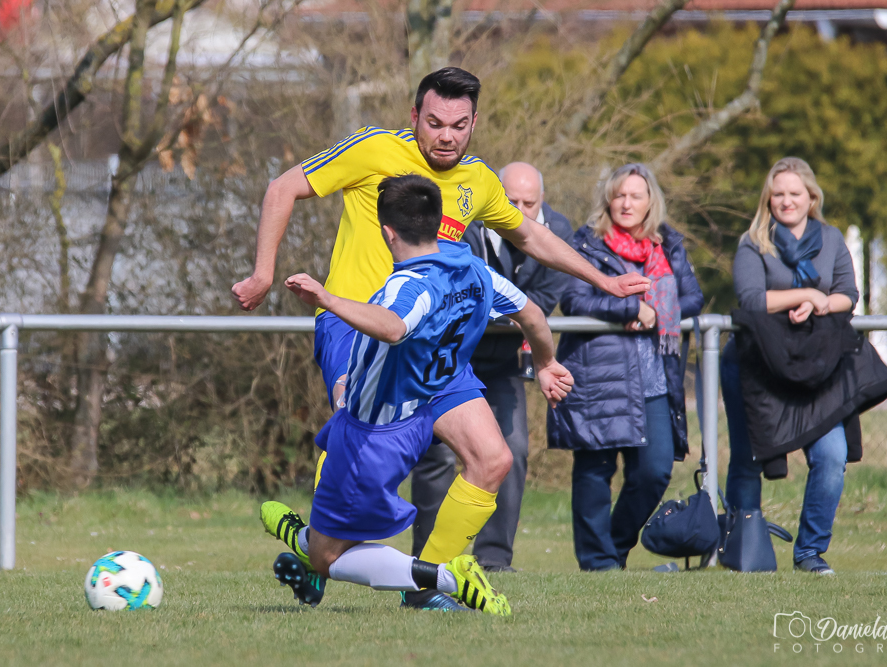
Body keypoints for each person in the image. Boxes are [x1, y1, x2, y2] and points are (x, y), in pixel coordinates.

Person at [236, 68, 646, 610]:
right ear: (414, 118)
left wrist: (603, 278)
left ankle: (425, 588)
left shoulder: (478, 181)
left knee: (493, 459)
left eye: (458, 124)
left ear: (474, 123)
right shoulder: (374, 149)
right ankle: (320, 551)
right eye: (434, 123)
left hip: (435, 349)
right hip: (358, 329)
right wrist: (264, 273)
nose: (446, 135)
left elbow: (529, 235)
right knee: (350, 433)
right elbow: (282, 186)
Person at [270, 174, 572, 615]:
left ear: (387, 233)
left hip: (386, 424)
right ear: (440, 224)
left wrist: (326, 297)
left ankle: (433, 581)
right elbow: (531, 313)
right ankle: (324, 543)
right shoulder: (474, 269)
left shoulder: (407, 287)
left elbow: (394, 326)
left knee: (327, 556)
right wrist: (546, 362)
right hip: (400, 414)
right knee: (328, 551)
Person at [409, 162, 574, 572]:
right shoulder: (460, 222)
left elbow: (542, 300)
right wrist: (502, 308)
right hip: (445, 359)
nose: (518, 210)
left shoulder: (558, 231)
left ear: (542, 204)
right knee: (436, 457)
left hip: (502, 364)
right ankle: (427, 562)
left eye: (528, 203)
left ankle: (495, 559)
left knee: (512, 451)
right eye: (510, 201)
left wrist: (487, 307)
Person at [547, 164, 704, 571]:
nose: (627, 203)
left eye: (636, 196)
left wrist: (656, 311)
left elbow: (693, 298)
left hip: (655, 379)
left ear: (651, 201)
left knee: (654, 471)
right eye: (620, 195)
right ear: (608, 200)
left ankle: (614, 548)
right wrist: (629, 309)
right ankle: (598, 563)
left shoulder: (668, 245)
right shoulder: (586, 243)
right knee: (594, 474)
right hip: (598, 374)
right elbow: (575, 301)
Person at [721, 157, 858, 576]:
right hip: (756, 364)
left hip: (815, 364)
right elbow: (751, 299)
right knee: (747, 458)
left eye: (794, 193)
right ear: (768, 198)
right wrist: (806, 296)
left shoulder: (832, 239)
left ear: (811, 197)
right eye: (778, 194)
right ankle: (743, 553)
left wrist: (819, 302)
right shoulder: (753, 242)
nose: (786, 201)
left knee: (832, 453)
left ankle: (810, 553)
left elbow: (848, 295)